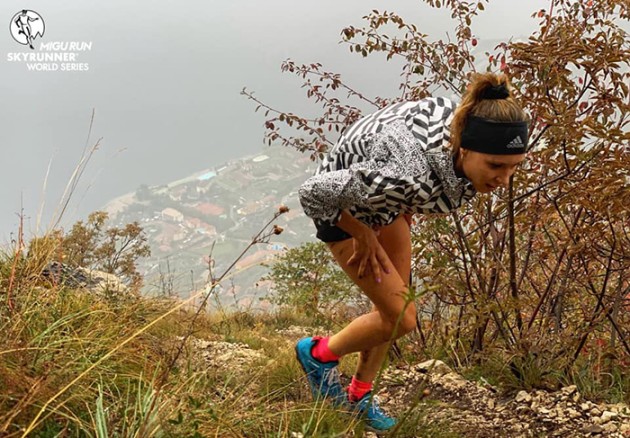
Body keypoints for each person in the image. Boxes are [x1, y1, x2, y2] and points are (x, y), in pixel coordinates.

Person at [295, 72, 529, 431]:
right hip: (341, 207)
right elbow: (312, 193)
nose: (504, 180)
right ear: (463, 149)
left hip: (385, 199)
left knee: (396, 306)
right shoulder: (405, 175)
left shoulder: (468, 118)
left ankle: (359, 395)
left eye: (514, 167)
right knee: (401, 318)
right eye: (496, 166)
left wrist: (395, 207)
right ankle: (318, 355)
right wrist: (360, 231)